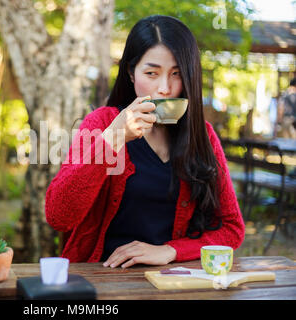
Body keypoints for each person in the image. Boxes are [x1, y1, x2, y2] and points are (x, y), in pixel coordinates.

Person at [45, 15, 245, 268]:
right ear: (131, 73)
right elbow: (59, 216)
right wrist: (113, 137)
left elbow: (231, 229)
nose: (164, 88)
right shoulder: (102, 123)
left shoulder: (201, 135)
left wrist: (170, 251)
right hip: (104, 278)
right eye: (151, 73)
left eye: (176, 74)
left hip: (172, 283)